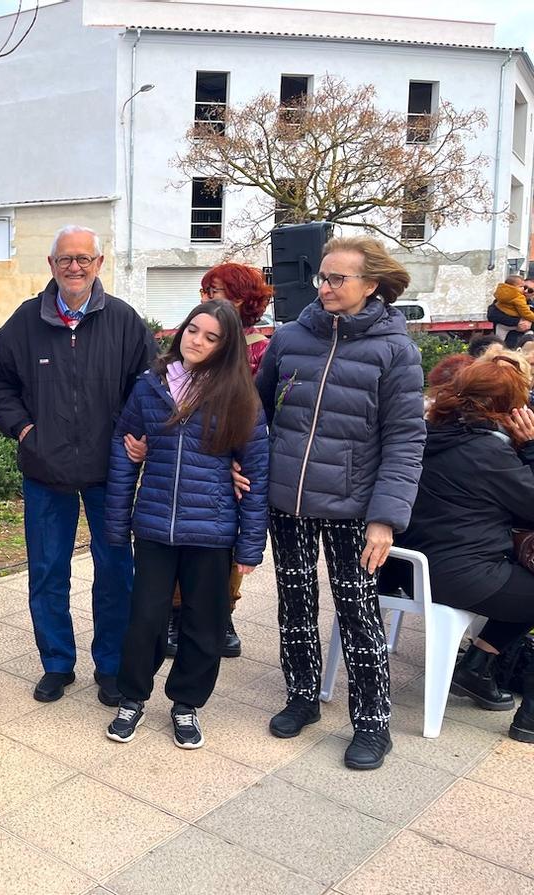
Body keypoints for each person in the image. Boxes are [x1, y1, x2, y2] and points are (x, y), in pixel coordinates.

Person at [257, 236, 425, 771]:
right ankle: (303, 697)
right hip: (289, 502)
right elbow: (259, 411)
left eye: (337, 279)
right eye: (321, 278)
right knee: (296, 606)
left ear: (370, 285)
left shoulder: (396, 351)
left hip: (356, 509)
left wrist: (385, 519)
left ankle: (373, 723)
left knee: (358, 613)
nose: (325, 287)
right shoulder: (290, 339)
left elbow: (405, 440)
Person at [0, 224, 158, 706]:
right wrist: (23, 430)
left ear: (99, 264)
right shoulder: (25, 322)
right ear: (52, 266)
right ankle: (57, 663)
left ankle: (112, 666)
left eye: (84, 258)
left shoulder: (123, 321)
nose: (74, 267)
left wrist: (135, 437)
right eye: (65, 259)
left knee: (116, 570)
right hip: (45, 472)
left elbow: (149, 388)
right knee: (47, 569)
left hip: (111, 473)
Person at [103, 300, 269, 748]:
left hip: (212, 530)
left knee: (204, 623)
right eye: (193, 330)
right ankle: (132, 697)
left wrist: (250, 546)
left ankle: (186, 704)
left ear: (226, 346)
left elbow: (255, 474)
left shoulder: (240, 397)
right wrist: (117, 523)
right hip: (155, 525)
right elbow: (125, 450)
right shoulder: (151, 385)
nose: (197, 341)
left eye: (211, 337)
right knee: (145, 619)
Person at [395, 356, 534, 742]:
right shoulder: (489, 452)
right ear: (506, 410)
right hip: (463, 575)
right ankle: (528, 719)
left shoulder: (429, 434)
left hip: (410, 569)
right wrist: (531, 447)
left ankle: (476, 665)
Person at [147, 263, 274, 660]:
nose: (206, 299)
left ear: (240, 298)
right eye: (205, 292)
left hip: (234, 463)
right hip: (194, 463)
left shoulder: (262, 348)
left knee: (225, 548)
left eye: (215, 291)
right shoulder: (189, 347)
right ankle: (175, 613)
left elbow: (265, 409)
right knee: (182, 534)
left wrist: (243, 460)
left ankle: (223, 613)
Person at [489, 275, 534, 348]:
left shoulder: (532, 306)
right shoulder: (504, 301)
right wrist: (517, 322)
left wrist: (530, 326)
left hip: (525, 349)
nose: (525, 291)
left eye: (530, 290)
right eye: (524, 287)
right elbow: (491, 315)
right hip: (506, 345)